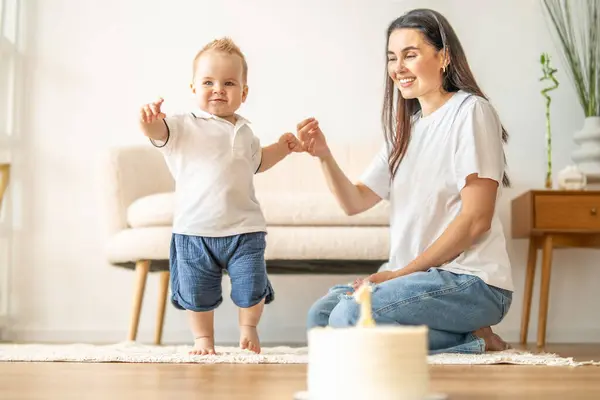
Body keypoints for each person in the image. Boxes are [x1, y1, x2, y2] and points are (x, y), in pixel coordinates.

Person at [300, 8, 513, 354]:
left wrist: (399, 275)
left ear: (443, 57)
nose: (398, 67)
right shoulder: (406, 131)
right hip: (417, 279)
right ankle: (467, 337)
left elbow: (476, 220)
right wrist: (324, 155)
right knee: (320, 321)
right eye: (391, 58)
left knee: (350, 318)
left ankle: (475, 338)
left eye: (410, 55)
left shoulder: (471, 112)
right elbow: (354, 202)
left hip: (470, 280)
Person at [139, 37, 302, 355]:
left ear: (244, 92)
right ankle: (203, 339)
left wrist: (283, 147)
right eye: (208, 82)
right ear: (193, 88)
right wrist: (148, 123)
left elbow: (258, 162)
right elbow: (158, 134)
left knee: (251, 284)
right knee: (196, 290)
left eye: (229, 83)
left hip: (245, 229)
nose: (218, 89)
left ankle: (249, 330)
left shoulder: (246, 131)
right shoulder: (182, 126)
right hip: (194, 230)